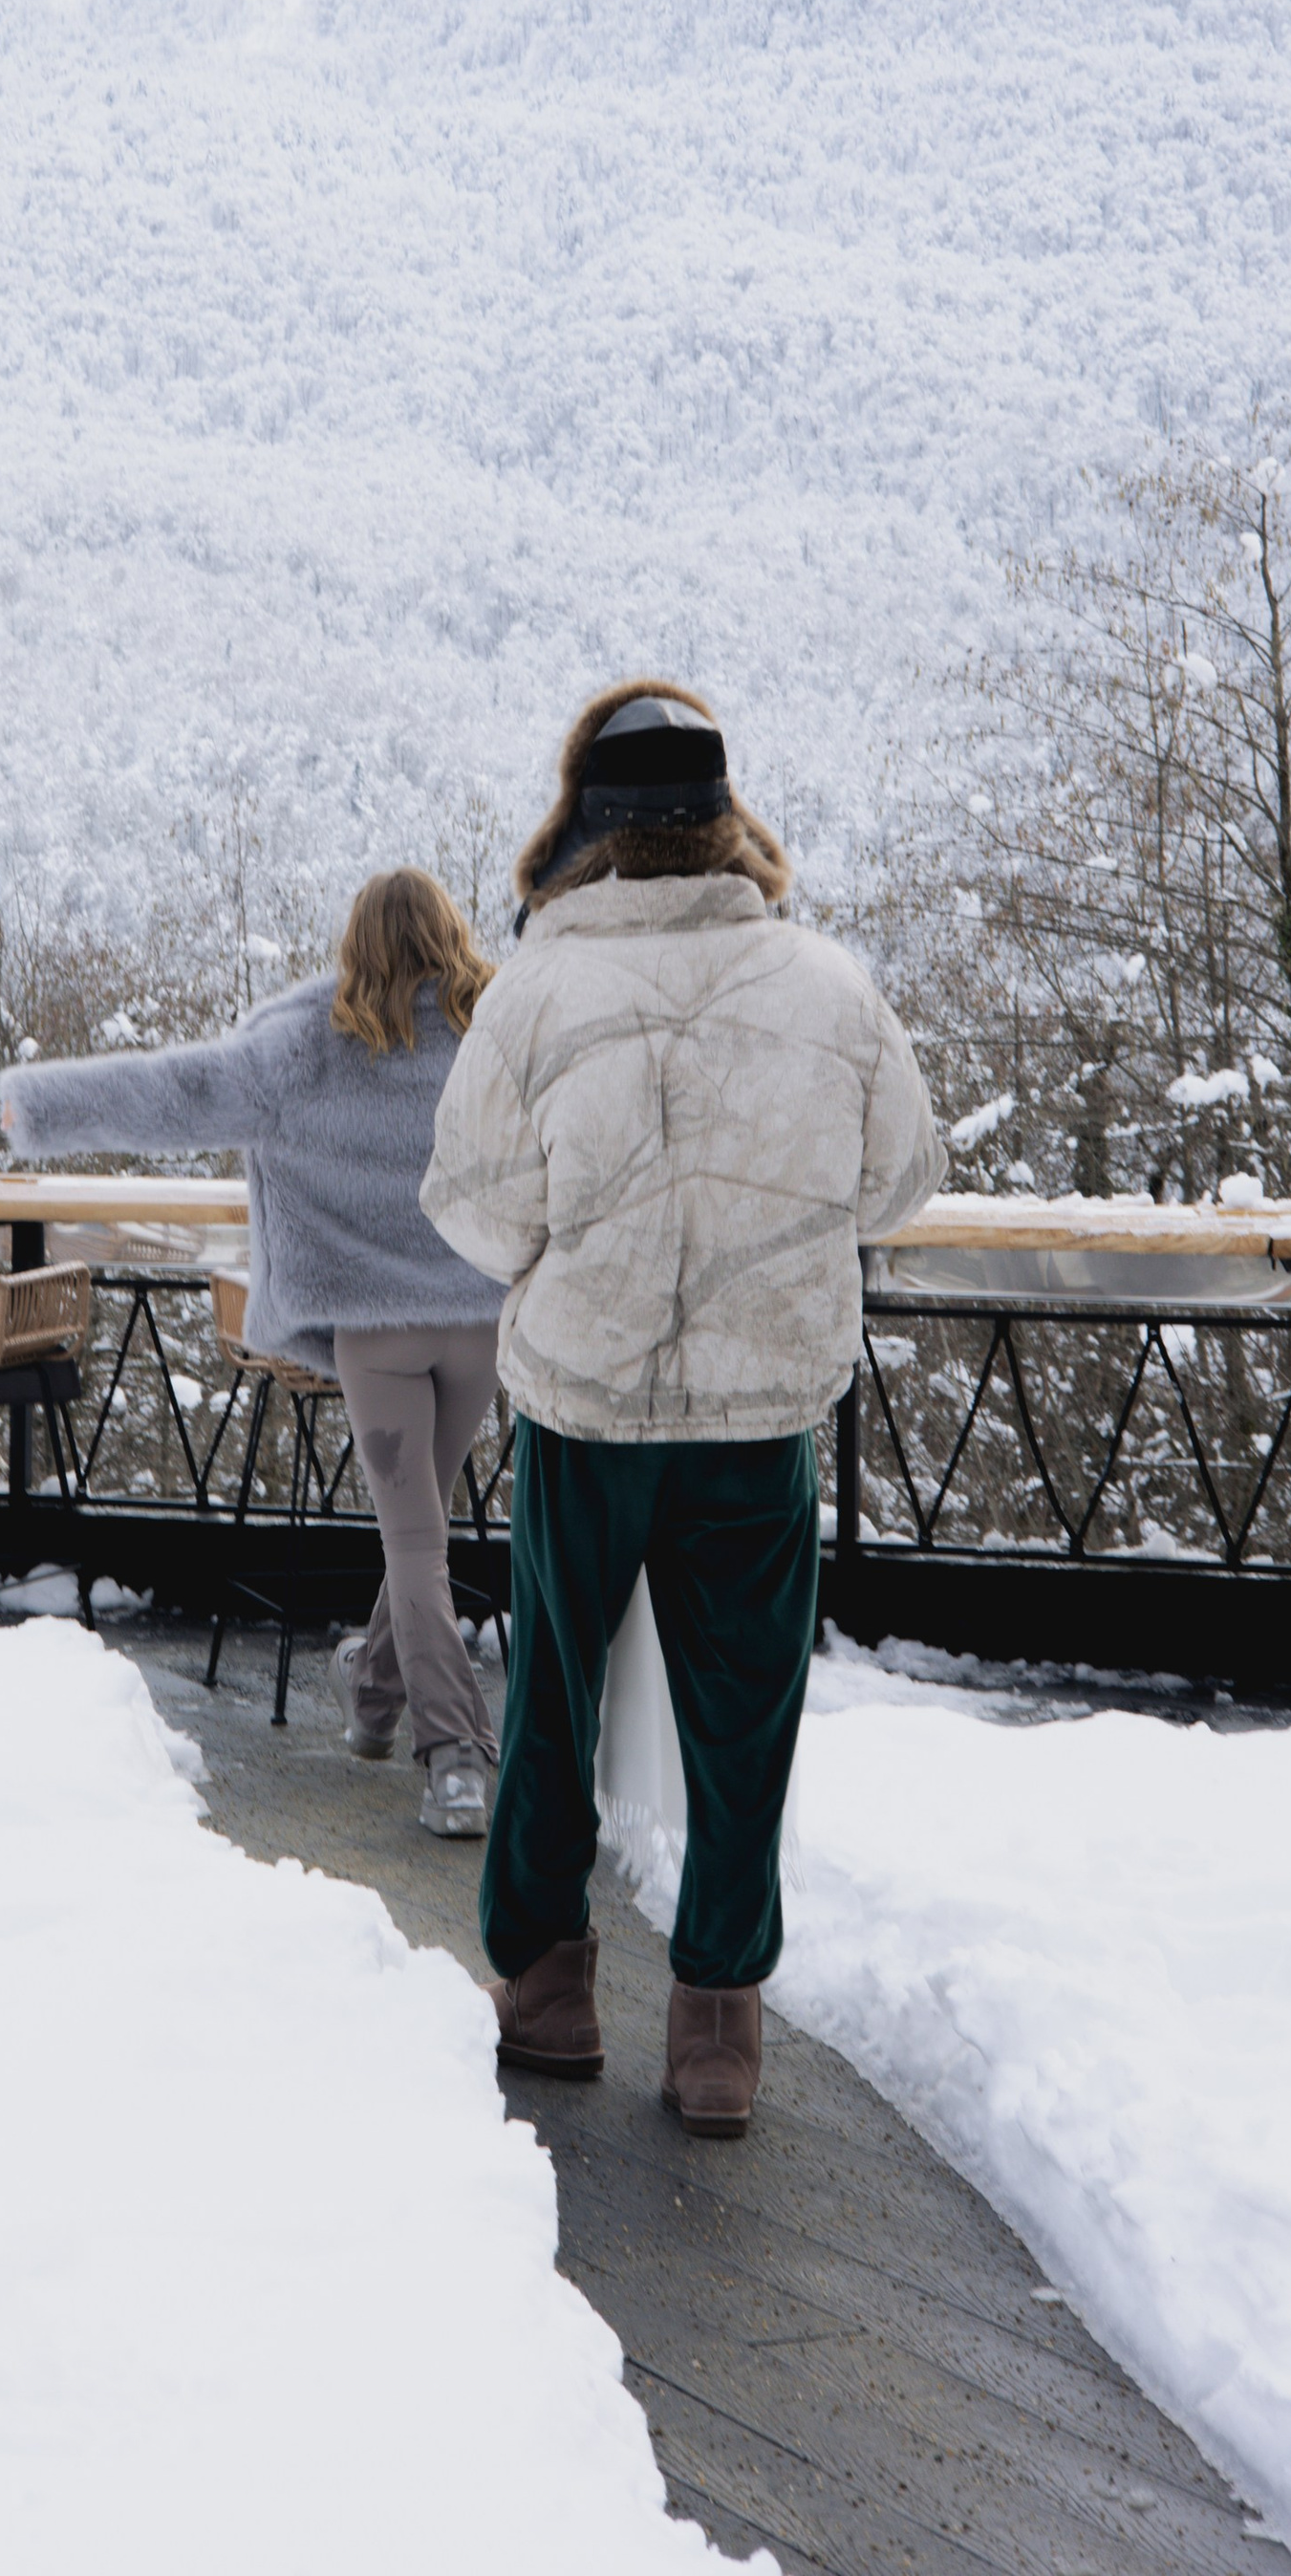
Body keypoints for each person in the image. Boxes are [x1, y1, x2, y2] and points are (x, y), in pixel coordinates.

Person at [420, 681, 943, 2137]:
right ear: (730, 828)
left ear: (582, 829)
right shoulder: (829, 984)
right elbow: (898, 1179)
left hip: (587, 1409)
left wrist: (579, 1253)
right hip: (761, 1415)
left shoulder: (532, 993)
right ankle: (717, 2032)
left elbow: (470, 1212)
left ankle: (549, 1984)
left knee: (557, 1711)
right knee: (744, 1723)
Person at [0, 869, 508, 1833]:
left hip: (376, 1331)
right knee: (422, 1535)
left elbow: (169, 1092)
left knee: (415, 1543)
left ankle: (455, 1759)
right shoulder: (500, 1038)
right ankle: (370, 1689)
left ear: (354, 944)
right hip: (478, 1320)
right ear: (452, 936)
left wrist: (36, 1109)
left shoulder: (305, 1049)